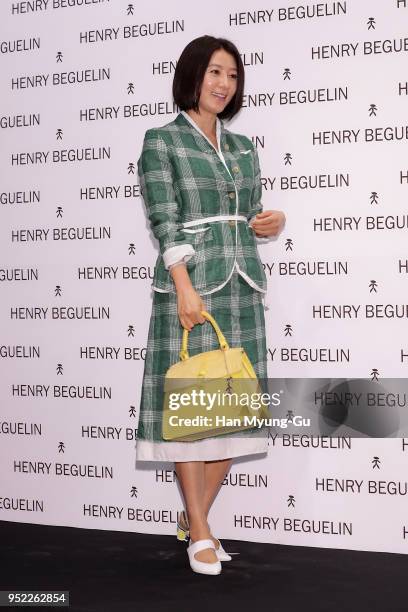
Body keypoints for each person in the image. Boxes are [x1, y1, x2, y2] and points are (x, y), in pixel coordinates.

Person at [136, 35, 285, 575]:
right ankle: (200, 529)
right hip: (192, 286)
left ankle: (193, 517)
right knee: (191, 414)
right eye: (215, 73)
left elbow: (251, 211)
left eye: (233, 76)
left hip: (242, 283)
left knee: (233, 412)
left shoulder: (244, 148)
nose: (224, 84)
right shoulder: (162, 141)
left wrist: (272, 222)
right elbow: (164, 216)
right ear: (193, 76)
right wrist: (182, 284)